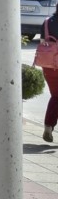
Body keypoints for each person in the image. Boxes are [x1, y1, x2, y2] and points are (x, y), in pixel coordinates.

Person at [43, 13, 58, 143]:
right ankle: (48, 125)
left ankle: (48, 126)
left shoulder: (47, 22)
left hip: (48, 65)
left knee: (56, 95)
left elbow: (43, 41)